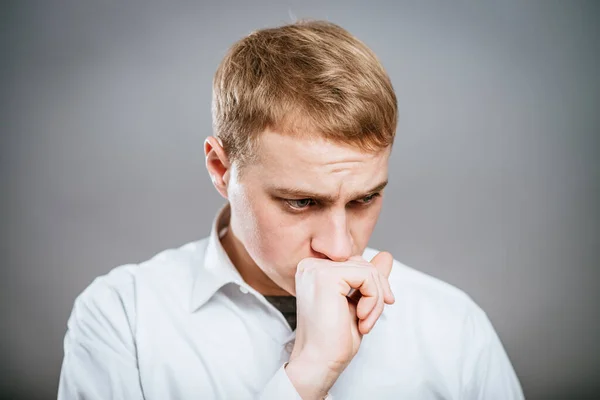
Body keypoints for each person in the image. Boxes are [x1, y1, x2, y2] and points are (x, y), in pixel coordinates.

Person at [58, 20, 524, 399]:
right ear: (222, 169)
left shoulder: (452, 326)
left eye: (364, 198)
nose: (340, 247)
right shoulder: (123, 319)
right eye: (301, 202)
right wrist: (307, 375)